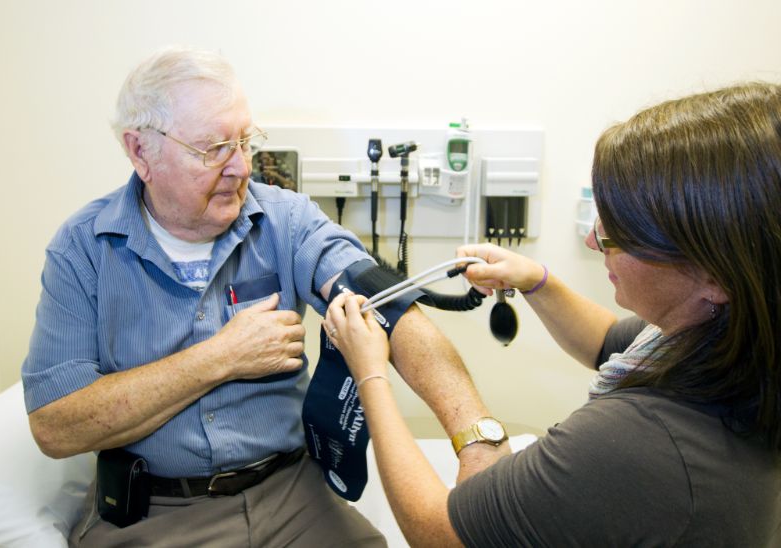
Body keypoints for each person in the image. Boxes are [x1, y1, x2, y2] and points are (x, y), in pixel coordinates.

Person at [20, 45, 508, 547]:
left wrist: (476, 436)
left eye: (245, 142)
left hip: (291, 494)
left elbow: (388, 309)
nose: (239, 167)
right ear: (141, 151)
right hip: (157, 512)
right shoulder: (84, 249)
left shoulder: (287, 221)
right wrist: (221, 357)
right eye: (212, 149)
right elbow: (56, 426)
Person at [325, 82, 781, 546]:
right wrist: (537, 281)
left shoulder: (639, 441)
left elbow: (439, 533)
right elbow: (607, 341)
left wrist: (371, 375)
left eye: (615, 236)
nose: (591, 241)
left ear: (714, 275)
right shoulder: (725, 337)